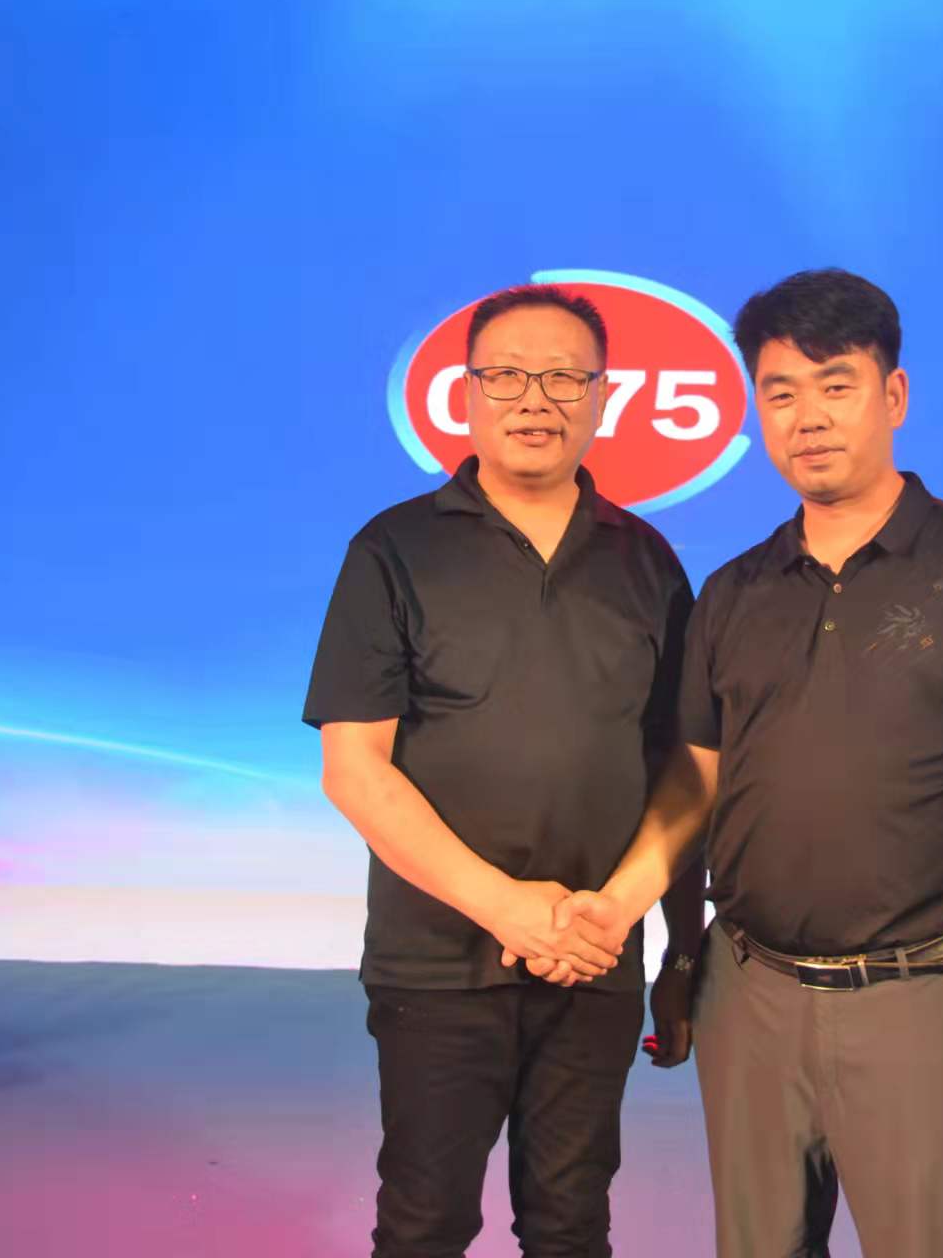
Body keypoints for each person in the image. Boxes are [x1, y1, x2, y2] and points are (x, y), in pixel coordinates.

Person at [557, 268, 943, 1256]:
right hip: (749, 993)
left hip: (923, 996)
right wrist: (623, 908)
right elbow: (696, 780)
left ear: (894, 394)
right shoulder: (734, 592)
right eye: (780, 393)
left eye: (836, 385)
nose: (808, 417)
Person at [303, 284, 703, 1257]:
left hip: (597, 959)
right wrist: (507, 908)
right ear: (467, 392)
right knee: (425, 1223)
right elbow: (355, 769)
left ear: (602, 396)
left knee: (572, 1226)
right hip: (439, 964)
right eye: (508, 375)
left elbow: (686, 771)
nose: (536, 399)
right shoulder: (394, 550)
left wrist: (660, 939)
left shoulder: (650, 564)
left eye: (564, 377)